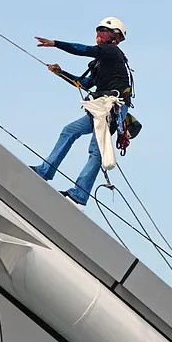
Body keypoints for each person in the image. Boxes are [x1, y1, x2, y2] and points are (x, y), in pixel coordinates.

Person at [30, 17, 133, 209]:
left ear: (115, 37)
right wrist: (61, 73)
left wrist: (54, 44)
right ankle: (45, 171)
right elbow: (84, 83)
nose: (99, 34)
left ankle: (79, 194)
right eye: (99, 30)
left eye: (104, 30)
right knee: (69, 130)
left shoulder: (111, 52)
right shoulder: (100, 62)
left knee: (96, 150)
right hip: (100, 107)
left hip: (112, 107)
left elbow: (83, 50)